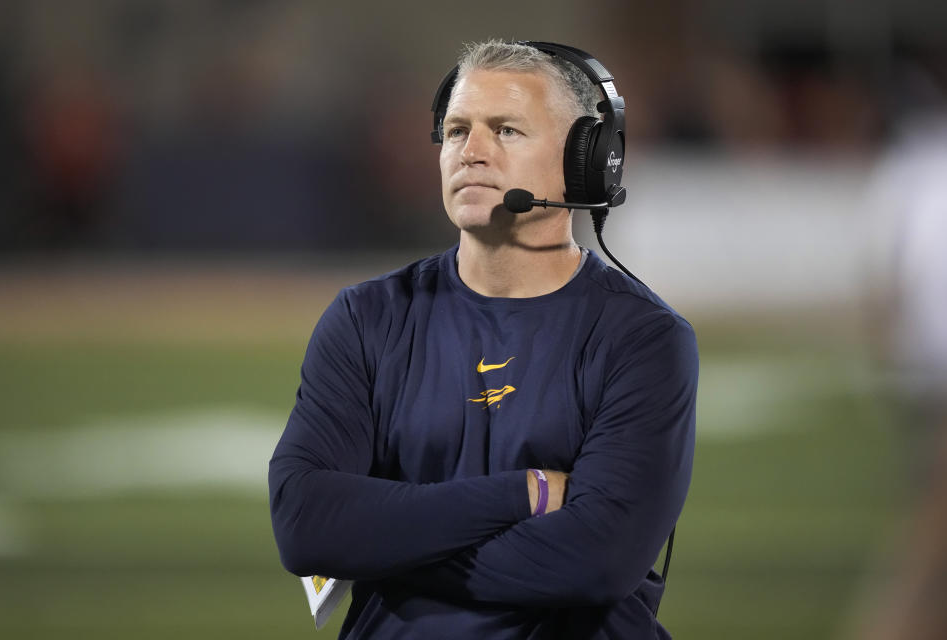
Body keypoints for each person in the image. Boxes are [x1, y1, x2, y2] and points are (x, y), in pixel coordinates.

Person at [269, 39, 697, 640]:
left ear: (585, 160)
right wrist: (527, 493)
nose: (471, 152)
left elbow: (594, 562)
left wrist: (385, 545)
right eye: (455, 131)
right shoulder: (366, 317)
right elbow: (305, 524)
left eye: (506, 131)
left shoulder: (644, 339)